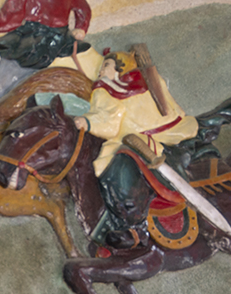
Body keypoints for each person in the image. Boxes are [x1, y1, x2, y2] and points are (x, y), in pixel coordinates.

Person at [74, 49, 198, 249]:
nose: (100, 70)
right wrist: (88, 121)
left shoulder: (119, 86)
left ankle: (131, 225)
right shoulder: (136, 83)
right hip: (146, 137)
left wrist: (86, 122)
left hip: (151, 136)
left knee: (113, 171)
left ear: (120, 69)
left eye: (106, 65)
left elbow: (109, 121)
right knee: (115, 166)